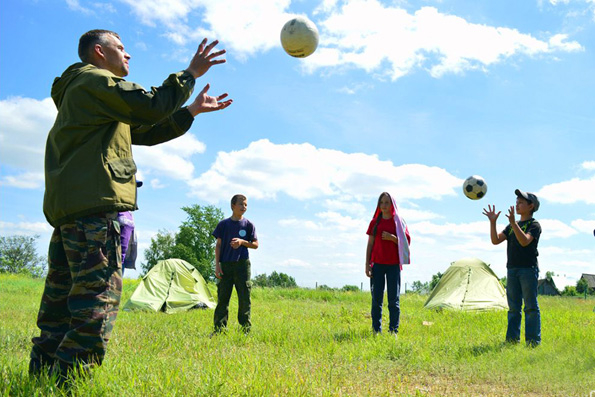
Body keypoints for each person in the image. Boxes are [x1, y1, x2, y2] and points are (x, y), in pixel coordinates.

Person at [30, 29, 232, 383]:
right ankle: (66, 385)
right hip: (94, 211)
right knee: (96, 305)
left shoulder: (82, 95)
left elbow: (145, 130)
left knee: (60, 307)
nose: (128, 55)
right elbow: (150, 105)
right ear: (98, 51)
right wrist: (189, 74)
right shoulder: (95, 81)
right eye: (120, 48)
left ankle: (41, 379)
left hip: (72, 213)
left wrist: (190, 112)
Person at [482, 189, 542, 346]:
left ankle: (532, 342)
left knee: (530, 307)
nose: (517, 204)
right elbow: (495, 240)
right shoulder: (511, 226)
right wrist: (493, 222)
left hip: (528, 269)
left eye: (521, 202)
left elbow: (525, 241)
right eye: (517, 202)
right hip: (512, 269)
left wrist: (514, 223)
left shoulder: (534, 225)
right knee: (513, 307)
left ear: (531, 206)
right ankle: (512, 341)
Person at [365, 192, 410, 335]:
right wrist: (367, 264)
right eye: (381, 202)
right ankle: (376, 330)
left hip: (393, 266)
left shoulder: (398, 222)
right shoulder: (375, 222)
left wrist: (393, 238)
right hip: (377, 265)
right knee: (376, 299)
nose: (384, 205)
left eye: (387, 202)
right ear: (378, 205)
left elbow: (406, 242)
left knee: (393, 300)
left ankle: (393, 331)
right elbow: (370, 244)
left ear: (392, 205)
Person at [212, 194, 259, 334]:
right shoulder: (223, 225)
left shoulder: (249, 225)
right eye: (241, 204)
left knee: (244, 298)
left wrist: (242, 242)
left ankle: (245, 330)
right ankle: (220, 329)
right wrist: (217, 265)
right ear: (233, 206)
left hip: (242, 266)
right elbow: (218, 245)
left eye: (245, 204)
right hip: (225, 265)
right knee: (222, 299)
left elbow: (255, 245)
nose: (244, 207)